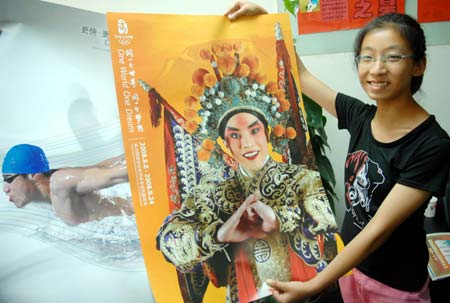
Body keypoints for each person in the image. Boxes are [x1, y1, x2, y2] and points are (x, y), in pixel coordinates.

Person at [226, 1, 450, 303]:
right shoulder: (360, 115)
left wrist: (314, 285)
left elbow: (378, 231)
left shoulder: (431, 144)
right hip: (351, 270)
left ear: (418, 65)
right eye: (367, 57)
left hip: (395, 285)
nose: (377, 68)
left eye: (393, 57)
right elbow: (301, 77)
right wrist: (269, 24)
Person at [154, 41, 340, 303]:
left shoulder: (300, 178)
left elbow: (325, 222)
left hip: (305, 294)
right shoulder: (213, 189)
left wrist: (278, 219)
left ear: (268, 132)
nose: (247, 144)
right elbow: (168, 239)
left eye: (254, 130)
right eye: (235, 135)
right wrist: (220, 233)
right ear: (225, 143)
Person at [2, 144, 133, 225]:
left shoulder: (60, 183)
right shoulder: (57, 183)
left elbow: (114, 176)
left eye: (9, 179)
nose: (5, 189)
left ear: (34, 174)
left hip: (135, 217)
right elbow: (101, 167)